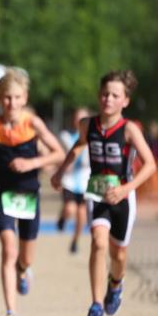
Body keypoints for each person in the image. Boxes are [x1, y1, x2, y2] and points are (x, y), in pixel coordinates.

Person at [51, 70, 157, 316]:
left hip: (122, 196)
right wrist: (61, 170)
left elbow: (150, 165)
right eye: (104, 94)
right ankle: (96, 306)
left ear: (125, 101)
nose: (108, 99)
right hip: (97, 192)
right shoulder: (88, 125)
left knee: (118, 253)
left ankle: (116, 285)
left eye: (115, 95)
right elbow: (79, 145)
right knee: (98, 242)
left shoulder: (129, 129)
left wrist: (126, 189)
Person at [0, 68, 65, 316]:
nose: (11, 104)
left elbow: (59, 153)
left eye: (16, 98)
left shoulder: (33, 124)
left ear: (24, 98)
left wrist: (32, 162)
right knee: (8, 249)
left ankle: (24, 270)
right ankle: (11, 313)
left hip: (28, 195)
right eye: (6, 98)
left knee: (25, 257)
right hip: (3, 192)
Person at [57, 108, 91, 254]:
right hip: (69, 181)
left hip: (85, 181)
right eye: (78, 118)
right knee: (70, 209)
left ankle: (75, 240)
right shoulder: (65, 136)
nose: (80, 122)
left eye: (83, 119)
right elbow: (63, 153)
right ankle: (62, 218)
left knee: (82, 215)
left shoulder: (93, 138)